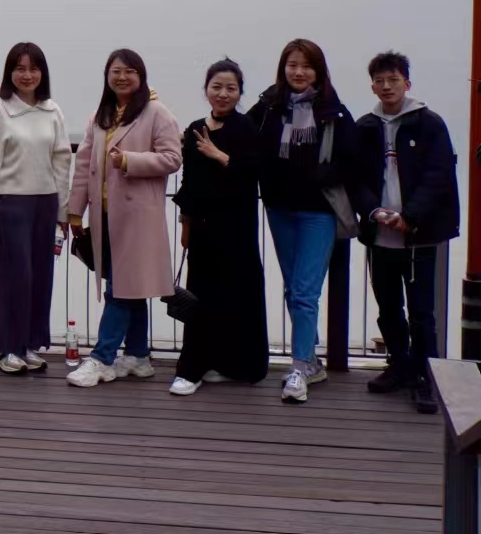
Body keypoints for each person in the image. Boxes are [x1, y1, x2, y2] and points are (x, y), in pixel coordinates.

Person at [244, 38, 357, 404]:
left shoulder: (334, 112)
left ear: (318, 71)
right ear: (283, 68)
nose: (298, 72)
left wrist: (323, 175)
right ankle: (311, 361)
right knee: (294, 289)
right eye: (292, 65)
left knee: (306, 292)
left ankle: (298, 369)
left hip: (318, 213)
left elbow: (351, 159)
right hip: (279, 209)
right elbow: (241, 138)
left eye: (306, 66)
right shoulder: (269, 106)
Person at [65, 49, 182, 389]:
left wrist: (130, 160)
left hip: (138, 217)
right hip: (105, 215)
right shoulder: (100, 116)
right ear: (107, 76)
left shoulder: (156, 112)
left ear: (141, 76)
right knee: (130, 287)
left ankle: (102, 359)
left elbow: (172, 158)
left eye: (130, 71)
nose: (122, 77)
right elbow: (84, 166)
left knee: (120, 289)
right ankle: (137, 355)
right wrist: (75, 210)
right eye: (116, 71)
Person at [351, 51, 459, 414]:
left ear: (407, 83)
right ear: (372, 86)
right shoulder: (365, 126)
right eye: (379, 81)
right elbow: (356, 178)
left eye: (393, 80)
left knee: (422, 311)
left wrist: (410, 216)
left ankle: (426, 375)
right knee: (388, 307)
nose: (386, 86)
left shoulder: (429, 124)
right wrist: (374, 211)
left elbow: (438, 174)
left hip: (418, 235)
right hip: (380, 234)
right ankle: (399, 365)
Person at [170, 59, 269, 394]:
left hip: (237, 228)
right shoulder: (195, 128)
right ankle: (192, 368)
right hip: (202, 228)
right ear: (206, 90)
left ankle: (236, 365)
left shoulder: (246, 127)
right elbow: (188, 181)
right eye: (217, 87)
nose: (223, 94)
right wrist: (185, 225)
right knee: (201, 295)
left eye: (231, 88)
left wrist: (220, 155)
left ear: (240, 92)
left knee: (237, 294)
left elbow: (255, 171)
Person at [0, 42, 71, 373]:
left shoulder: (52, 110)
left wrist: (62, 210)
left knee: (41, 277)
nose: (27, 75)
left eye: (33, 68)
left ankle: (29, 344)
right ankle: (7, 349)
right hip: (11, 204)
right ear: (10, 73)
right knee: (15, 277)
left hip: (46, 203)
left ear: (42, 73)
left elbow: (62, 161)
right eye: (20, 68)